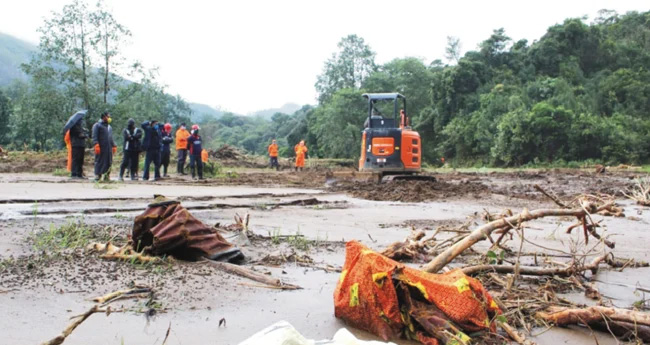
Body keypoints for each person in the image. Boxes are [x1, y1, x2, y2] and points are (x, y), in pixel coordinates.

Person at [92, 111, 117, 181]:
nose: (109, 118)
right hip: (100, 147)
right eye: (108, 117)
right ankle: (98, 175)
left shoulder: (109, 127)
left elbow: (110, 137)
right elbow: (94, 136)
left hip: (108, 147)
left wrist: (114, 145)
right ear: (104, 117)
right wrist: (96, 144)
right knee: (99, 161)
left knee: (108, 161)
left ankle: (106, 176)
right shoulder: (97, 125)